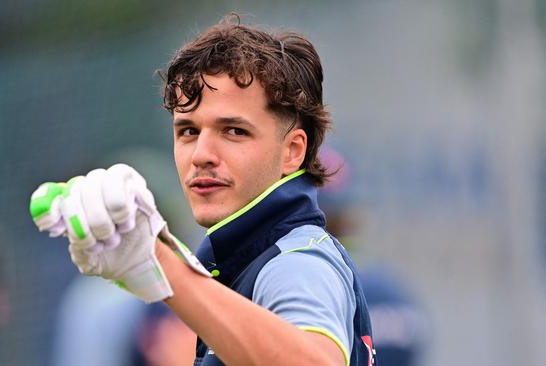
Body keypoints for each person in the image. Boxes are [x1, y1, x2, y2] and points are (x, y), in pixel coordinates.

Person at [30, 15, 375, 366]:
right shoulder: (241, 259)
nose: (201, 155)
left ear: (293, 151)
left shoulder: (294, 263)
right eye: (188, 132)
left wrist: (160, 262)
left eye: (234, 131)